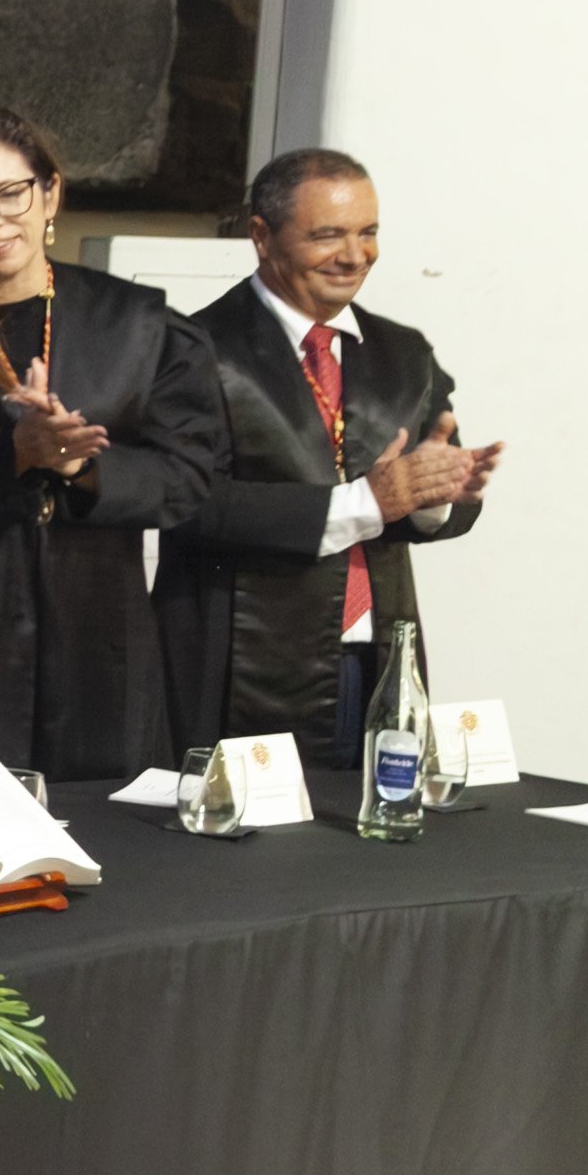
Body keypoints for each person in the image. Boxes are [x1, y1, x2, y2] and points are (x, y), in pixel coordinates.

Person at [0, 107, 230, 779]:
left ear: (49, 192)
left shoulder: (137, 326)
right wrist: (10, 459)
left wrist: (83, 465)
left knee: (113, 848)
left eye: (9, 195)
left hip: (99, 638)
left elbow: (191, 479)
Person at [157, 147, 502, 764]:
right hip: (236, 663)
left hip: (375, 663)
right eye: (328, 235)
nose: (354, 255)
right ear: (262, 236)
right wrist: (369, 502)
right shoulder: (193, 348)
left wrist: (434, 495)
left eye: (368, 233)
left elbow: (432, 503)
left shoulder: (402, 353)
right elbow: (183, 503)